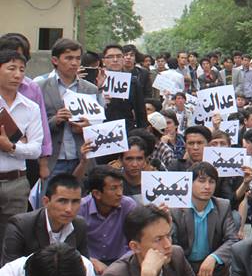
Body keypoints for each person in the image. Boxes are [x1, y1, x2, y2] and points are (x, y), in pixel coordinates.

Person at [169, 162, 239, 276]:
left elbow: (233, 239)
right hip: (184, 264)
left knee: (225, 259)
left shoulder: (223, 206)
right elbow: (171, 244)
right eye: (201, 181)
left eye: (211, 182)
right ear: (189, 183)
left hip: (209, 266)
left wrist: (214, 257)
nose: (207, 186)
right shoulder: (175, 208)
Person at [39, 38, 103, 179]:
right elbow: (34, 126)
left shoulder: (91, 89)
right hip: (52, 160)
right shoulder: (41, 87)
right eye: (68, 58)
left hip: (82, 158)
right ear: (55, 60)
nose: (74, 63)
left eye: (78, 58)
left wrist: (87, 127)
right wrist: (55, 120)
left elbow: (101, 126)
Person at [0, 49, 44, 240]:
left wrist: (11, 147)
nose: (17, 75)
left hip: (16, 183)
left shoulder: (31, 107)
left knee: (12, 238)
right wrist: (21, 142)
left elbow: (35, 150)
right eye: (11, 68)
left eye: (22, 70)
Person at [1, 173, 87, 265]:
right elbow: (10, 270)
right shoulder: (21, 225)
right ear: (46, 202)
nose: (69, 209)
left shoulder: (79, 225)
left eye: (75, 202)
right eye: (62, 201)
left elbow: (83, 266)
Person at [77, 166, 138, 274]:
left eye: (121, 187)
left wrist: (119, 265)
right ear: (97, 194)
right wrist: (90, 261)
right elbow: (70, 246)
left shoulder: (128, 205)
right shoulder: (80, 209)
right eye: (113, 188)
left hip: (123, 263)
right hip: (89, 265)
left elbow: (138, 240)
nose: (120, 193)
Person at [101, 45, 147, 133]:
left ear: (123, 59)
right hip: (102, 130)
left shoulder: (132, 82)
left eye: (119, 56)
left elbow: (140, 112)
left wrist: (142, 132)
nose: (115, 60)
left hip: (126, 130)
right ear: (103, 61)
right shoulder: (96, 81)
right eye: (110, 57)